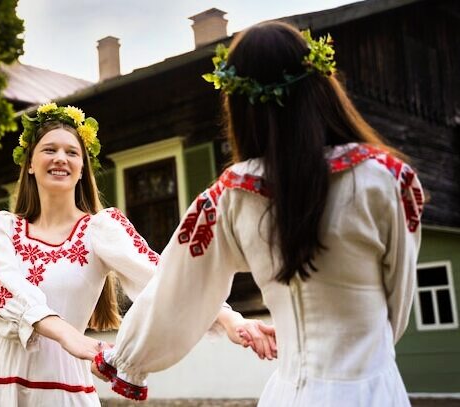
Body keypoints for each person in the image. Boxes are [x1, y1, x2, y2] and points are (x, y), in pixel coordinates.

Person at [93, 21, 424, 406]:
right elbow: (397, 302)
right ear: (321, 86)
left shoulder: (230, 197)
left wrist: (126, 358)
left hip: (291, 394)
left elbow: (174, 290)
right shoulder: (385, 179)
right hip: (374, 391)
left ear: (240, 106)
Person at [0, 102, 277, 406]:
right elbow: (3, 291)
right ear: (30, 165)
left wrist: (232, 320)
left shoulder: (100, 229)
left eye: (72, 152)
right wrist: (68, 336)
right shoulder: (2, 228)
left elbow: (164, 280)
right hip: (3, 384)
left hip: (66, 387)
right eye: (49, 149)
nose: (61, 158)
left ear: (81, 170)